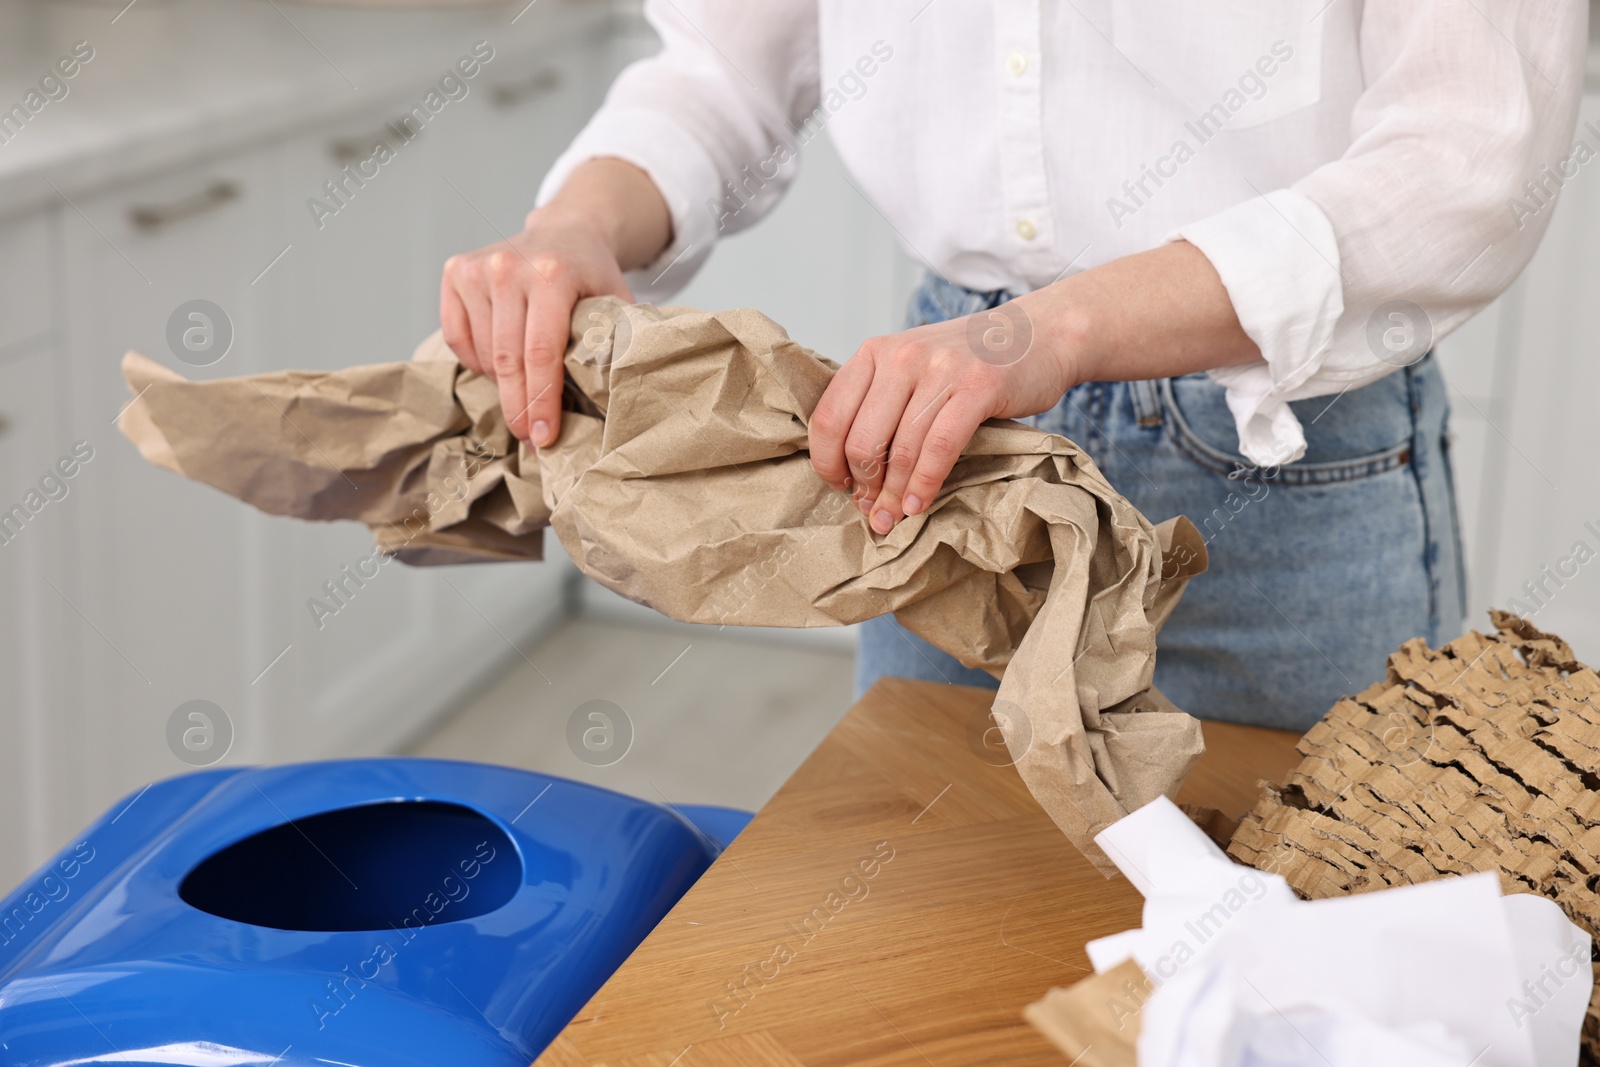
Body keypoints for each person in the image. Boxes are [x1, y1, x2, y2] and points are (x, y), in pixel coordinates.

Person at [440, 2, 1584, 730]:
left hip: (1280, 456)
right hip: (942, 464)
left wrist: (1058, 330)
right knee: (938, 925)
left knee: (1313, 943)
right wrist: (576, 225)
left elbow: (1472, 156)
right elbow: (720, 70)